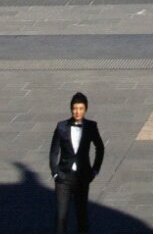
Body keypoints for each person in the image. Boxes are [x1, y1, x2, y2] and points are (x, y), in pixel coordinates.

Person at [49, 91, 105, 234]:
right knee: (61, 217)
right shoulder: (61, 127)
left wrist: (95, 170)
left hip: (82, 177)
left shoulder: (91, 126)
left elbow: (100, 147)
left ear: (85, 109)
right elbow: (54, 151)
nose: (77, 112)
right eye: (75, 108)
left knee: (82, 215)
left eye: (80, 108)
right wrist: (55, 172)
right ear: (71, 109)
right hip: (63, 178)